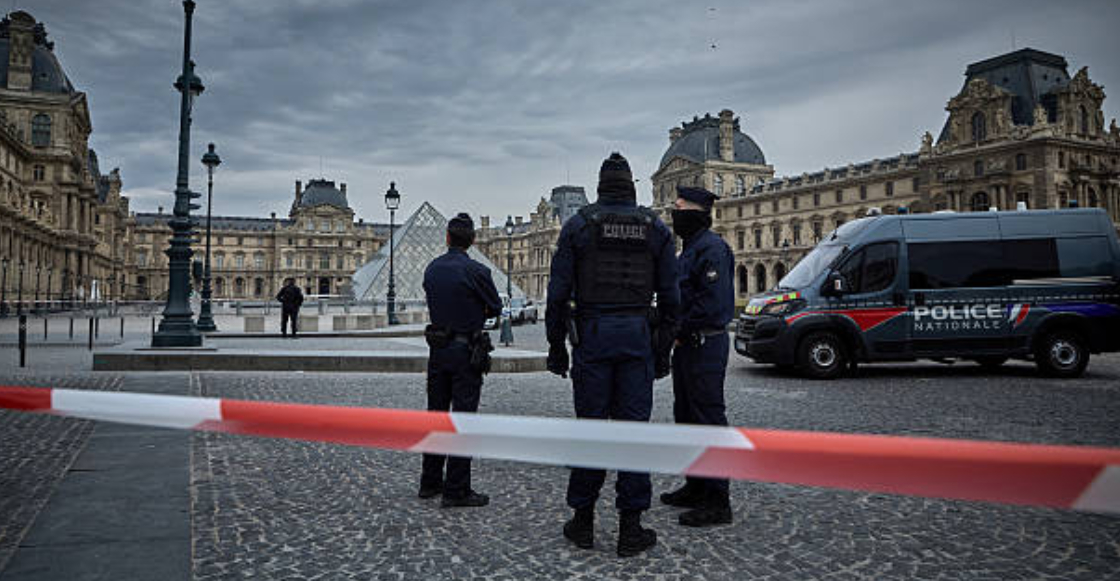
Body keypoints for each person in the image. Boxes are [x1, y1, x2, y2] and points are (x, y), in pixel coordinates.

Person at [546, 152, 679, 557]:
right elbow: (672, 300)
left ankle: (583, 522)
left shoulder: (579, 226)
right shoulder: (656, 229)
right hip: (638, 336)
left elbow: (556, 298)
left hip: (593, 337)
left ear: (600, 186)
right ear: (633, 187)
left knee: (591, 431)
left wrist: (556, 348)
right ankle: (630, 527)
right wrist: (662, 352)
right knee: (633, 433)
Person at [660, 186, 736, 527]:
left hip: (704, 343)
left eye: (679, 208)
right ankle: (695, 484)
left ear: (696, 212)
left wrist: (678, 325)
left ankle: (718, 500)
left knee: (708, 419)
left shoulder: (713, 249)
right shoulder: (690, 250)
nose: (674, 214)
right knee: (687, 416)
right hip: (688, 345)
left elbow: (714, 306)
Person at [420, 212, 502, 508]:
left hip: (437, 349)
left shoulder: (432, 268)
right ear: (473, 241)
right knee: (462, 419)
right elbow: (494, 307)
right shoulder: (478, 271)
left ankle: (429, 482)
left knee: (436, 416)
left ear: (447, 238)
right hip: (466, 351)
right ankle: (456, 489)